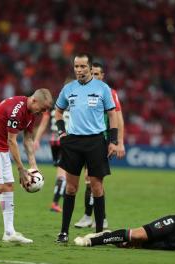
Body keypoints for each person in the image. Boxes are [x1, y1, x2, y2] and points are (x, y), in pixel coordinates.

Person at [0, 88, 53, 243]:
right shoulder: (17, 111)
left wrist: (33, 167)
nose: (42, 112)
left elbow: (28, 139)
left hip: (1, 148)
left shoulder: (32, 113)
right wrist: (21, 169)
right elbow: (12, 140)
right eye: (42, 108)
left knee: (8, 186)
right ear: (34, 100)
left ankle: (9, 232)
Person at [54, 53, 119, 243]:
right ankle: (64, 232)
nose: (79, 70)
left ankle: (99, 233)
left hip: (96, 142)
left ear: (90, 68)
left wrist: (113, 141)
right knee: (71, 188)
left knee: (97, 187)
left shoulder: (102, 88)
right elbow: (58, 111)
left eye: (83, 67)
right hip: (73, 142)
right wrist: (61, 133)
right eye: (76, 67)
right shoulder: (68, 89)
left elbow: (112, 115)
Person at [75, 62, 126, 230]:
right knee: (88, 179)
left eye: (97, 74)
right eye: (92, 73)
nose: (95, 77)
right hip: (86, 140)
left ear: (102, 76)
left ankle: (99, 218)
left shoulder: (109, 93)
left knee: (94, 179)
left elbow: (118, 118)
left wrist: (119, 142)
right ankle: (90, 216)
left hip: (103, 141)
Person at [34, 108, 70, 213]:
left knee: (62, 172)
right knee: (63, 173)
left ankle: (63, 196)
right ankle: (55, 203)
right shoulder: (74, 102)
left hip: (54, 140)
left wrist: (37, 139)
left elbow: (44, 123)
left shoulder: (53, 105)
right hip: (65, 140)